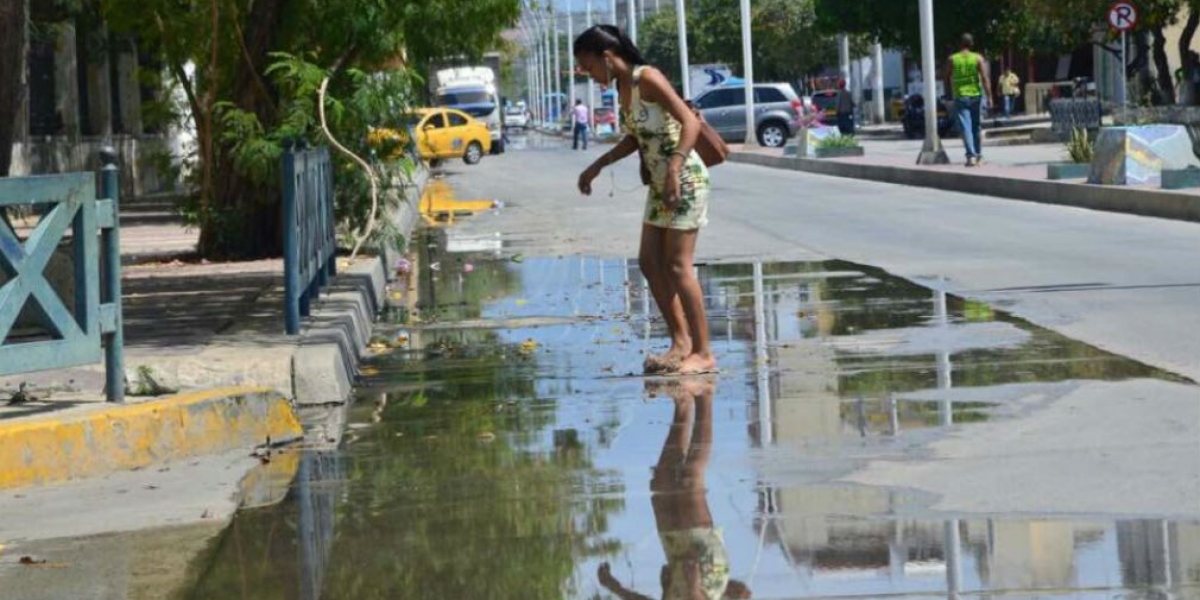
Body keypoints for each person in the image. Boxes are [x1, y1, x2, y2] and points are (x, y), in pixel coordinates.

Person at [574, 24, 716, 376]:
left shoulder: (647, 78)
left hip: (683, 180)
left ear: (607, 57)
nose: (589, 76)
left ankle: (703, 352)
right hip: (659, 184)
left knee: (678, 265)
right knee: (650, 263)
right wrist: (595, 166)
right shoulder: (623, 88)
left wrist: (674, 169)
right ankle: (680, 343)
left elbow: (689, 122)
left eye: (589, 67)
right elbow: (635, 139)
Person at [597, 378, 752, 600]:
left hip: (676, 557)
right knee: (690, 482)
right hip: (701, 578)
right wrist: (692, 583)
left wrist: (615, 587)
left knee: (661, 483)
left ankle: (683, 405)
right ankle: (704, 396)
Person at [944, 33, 994, 167]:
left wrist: (948, 94)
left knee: (965, 127)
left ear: (960, 44)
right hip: (976, 96)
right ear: (971, 44)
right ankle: (978, 156)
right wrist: (989, 96)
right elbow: (984, 78)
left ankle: (970, 156)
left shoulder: (952, 59)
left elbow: (946, 77)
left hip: (960, 96)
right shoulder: (977, 58)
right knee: (976, 126)